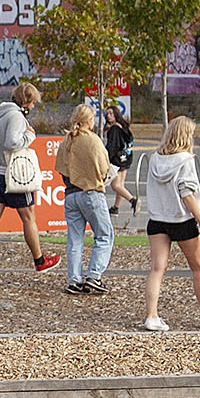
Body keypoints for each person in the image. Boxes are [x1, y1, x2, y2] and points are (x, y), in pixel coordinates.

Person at [141, 115, 200, 332]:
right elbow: (186, 193)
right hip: (182, 220)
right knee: (198, 268)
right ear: (186, 136)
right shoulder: (186, 160)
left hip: (157, 219)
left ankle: (151, 316)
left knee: (157, 269)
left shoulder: (155, 158)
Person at [0, 82, 63, 275]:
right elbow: (12, 142)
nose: (33, 107)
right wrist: (30, 136)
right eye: (32, 103)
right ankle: (40, 260)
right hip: (14, 175)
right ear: (26, 101)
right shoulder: (16, 116)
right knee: (29, 216)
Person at [57, 104, 116, 295]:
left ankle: (74, 280)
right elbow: (104, 168)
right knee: (104, 235)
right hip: (91, 193)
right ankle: (94, 275)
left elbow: (61, 169)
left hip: (71, 194)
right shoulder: (93, 141)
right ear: (90, 120)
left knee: (75, 239)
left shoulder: (66, 141)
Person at [103, 101, 138, 220]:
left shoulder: (114, 129)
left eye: (111, 113)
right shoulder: (124, 127)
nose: (108, 115)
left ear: (116, 114)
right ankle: (116, 207)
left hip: (117, 161)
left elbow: (112, 146)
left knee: (115, 185)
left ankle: (133, 201)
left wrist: (106, 159)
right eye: (107, 113)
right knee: (121, 185)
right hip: (126, 158)